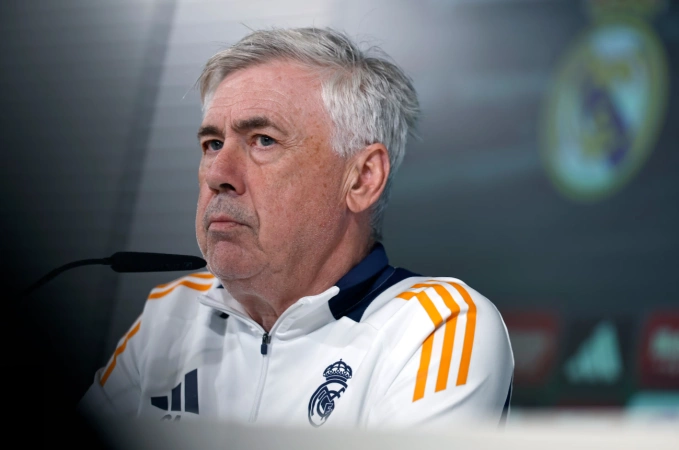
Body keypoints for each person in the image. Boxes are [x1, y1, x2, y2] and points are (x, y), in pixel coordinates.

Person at [79, 27, 513, 429]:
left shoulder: (435, 325)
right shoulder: (171, 313)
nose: (218, 174)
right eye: (212, 144)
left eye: (263, 140)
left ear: (362, 179)